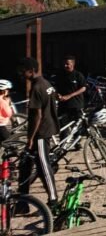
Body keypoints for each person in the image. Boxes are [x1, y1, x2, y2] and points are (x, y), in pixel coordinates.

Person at [17, 57, 59, 210]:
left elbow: (37, 116)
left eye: (23, 71)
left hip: (41, 133)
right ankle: (22, 202)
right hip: (44, 129)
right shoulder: (47, 84)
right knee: (25, 165)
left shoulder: (36, 88)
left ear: (31, 71)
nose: (21, 74)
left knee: (43, 165)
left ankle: (54, 199)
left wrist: (30, 139)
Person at [56, 55, 87, 129]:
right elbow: (55, 87)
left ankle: (77, 140)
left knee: (76, 129)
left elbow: (83, 88)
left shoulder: (78, 75)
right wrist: (57, 95)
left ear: (73, 64)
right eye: (64, 64)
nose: (65, 65)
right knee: (63, 129)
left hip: (76, 106)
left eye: (67, 64)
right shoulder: (60, 75)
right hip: (63, 106)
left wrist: (69, 96)